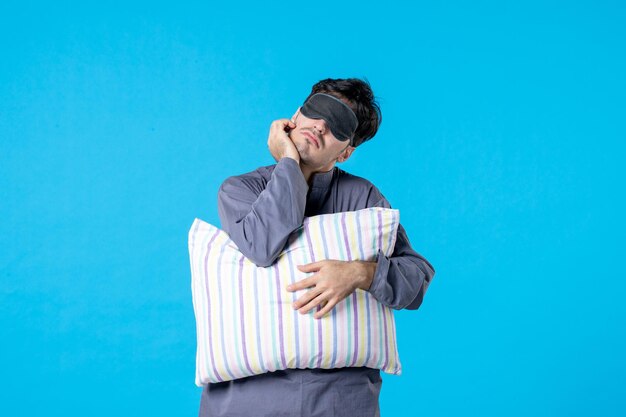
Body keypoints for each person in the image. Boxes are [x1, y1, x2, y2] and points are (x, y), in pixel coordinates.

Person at [199, 77, 435, 417]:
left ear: (346, 152)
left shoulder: (364, 199)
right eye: (317, 110)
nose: (320, 125)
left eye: (338, 124)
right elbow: (262, 246)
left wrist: (360, 273)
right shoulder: (240, 189)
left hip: (340, 402)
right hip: (245, 403)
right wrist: (289, 163)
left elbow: (416, 282)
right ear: (295, 115)